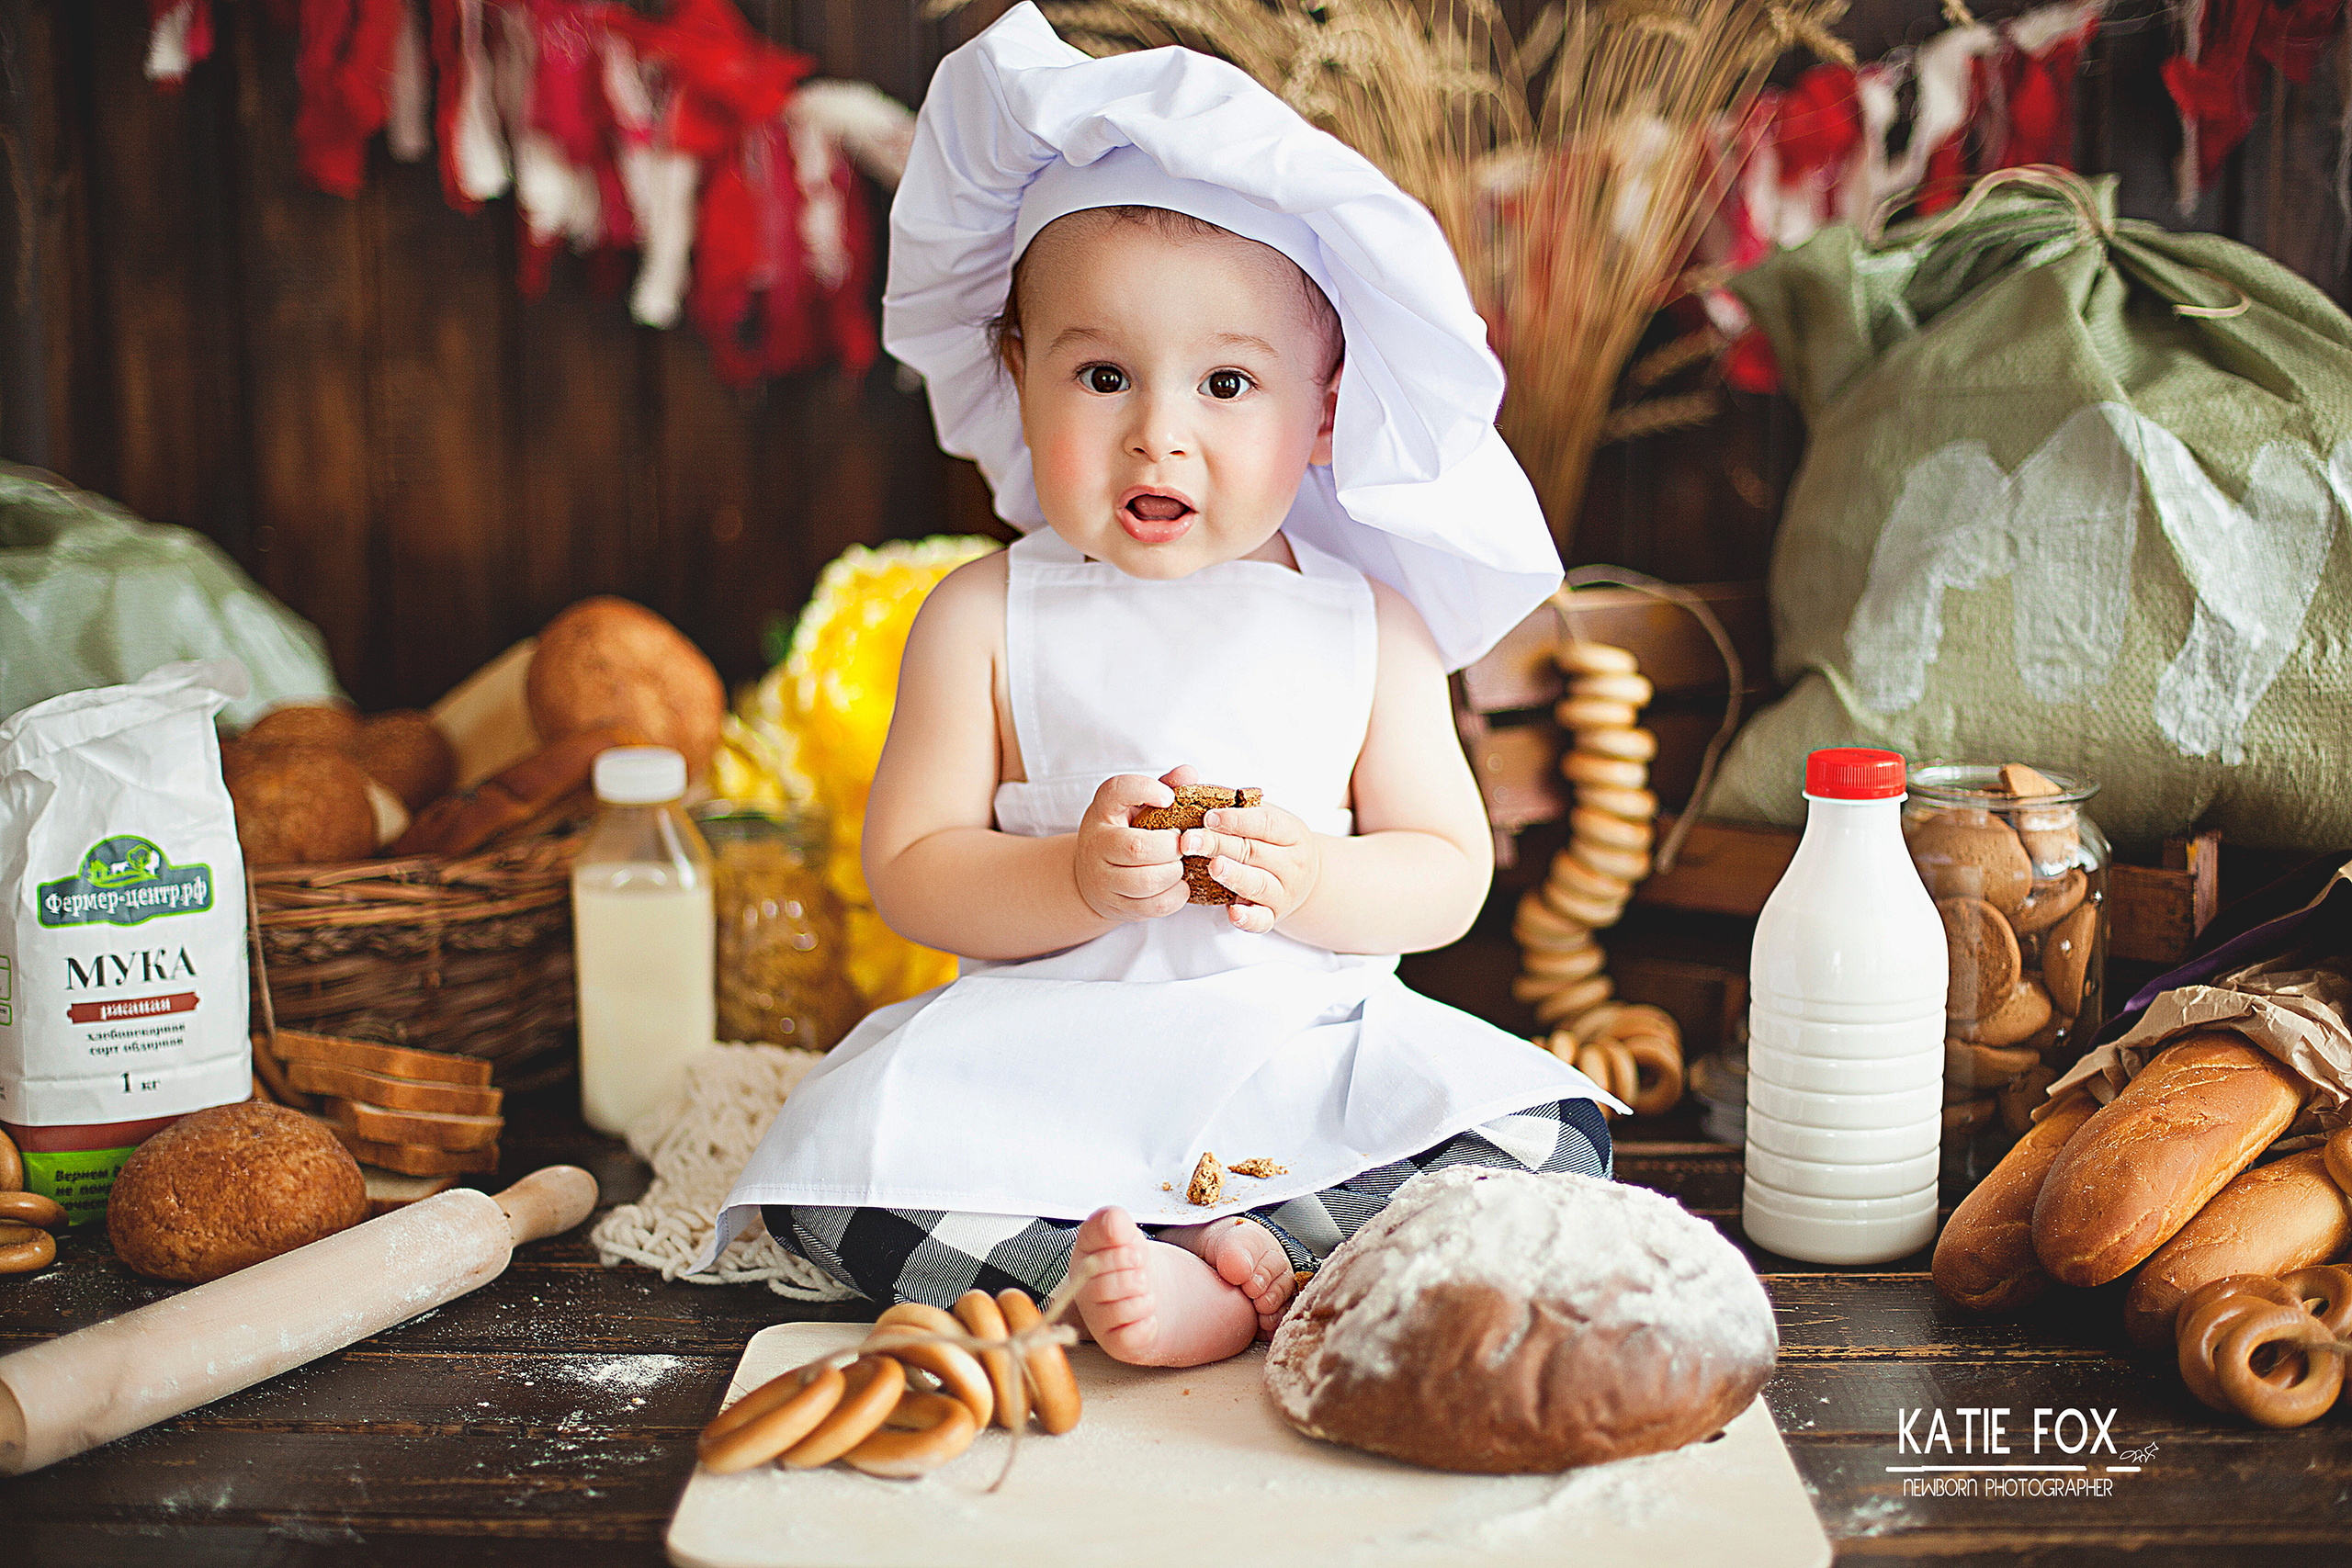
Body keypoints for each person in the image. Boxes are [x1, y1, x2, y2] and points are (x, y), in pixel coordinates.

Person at [704, 4, 1616, 1370]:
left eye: (1229, 381)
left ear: (1323, 412)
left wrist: (1311, 878)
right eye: (1105, 373)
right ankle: (1178, 1268)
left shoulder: (1371, 625)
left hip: (1302, 1053)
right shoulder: (984, 615)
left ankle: (1241, 1265)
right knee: (838, 1196)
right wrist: (1071, 873)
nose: (1160, 434)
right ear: (1019, 380)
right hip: (1044, 1061)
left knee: (1554, 1142)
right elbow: (912, 869)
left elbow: (1445, 872)